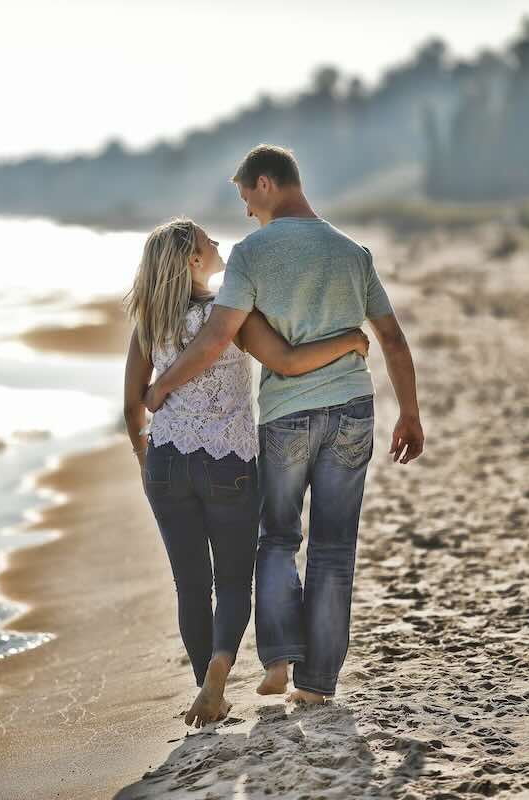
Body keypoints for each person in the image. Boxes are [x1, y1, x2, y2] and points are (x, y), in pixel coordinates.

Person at [144, 144, 424, 705]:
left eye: (247, 195)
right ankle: (317, 684)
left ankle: (277, 660)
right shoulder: (353, 253)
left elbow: (219, 336)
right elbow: (390, 337)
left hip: (285, 418)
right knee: (333, 549)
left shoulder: (251, 254)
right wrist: (410, 413)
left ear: (267, 183)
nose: (247, 210)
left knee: (277, 539)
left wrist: (163, 384)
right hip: (351, 409)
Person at [123, 217, 371, 727]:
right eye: (208, 242)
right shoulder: (229, 314)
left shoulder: (149, 320)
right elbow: (288, 359)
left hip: (168, 463)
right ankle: (218, 671)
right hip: (228, 463)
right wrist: (349, 339)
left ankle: (205, 688)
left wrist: (144, 454)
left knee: (190, 583)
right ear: (194, 261)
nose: (218, 245)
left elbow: (132, 405)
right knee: (234, 579)